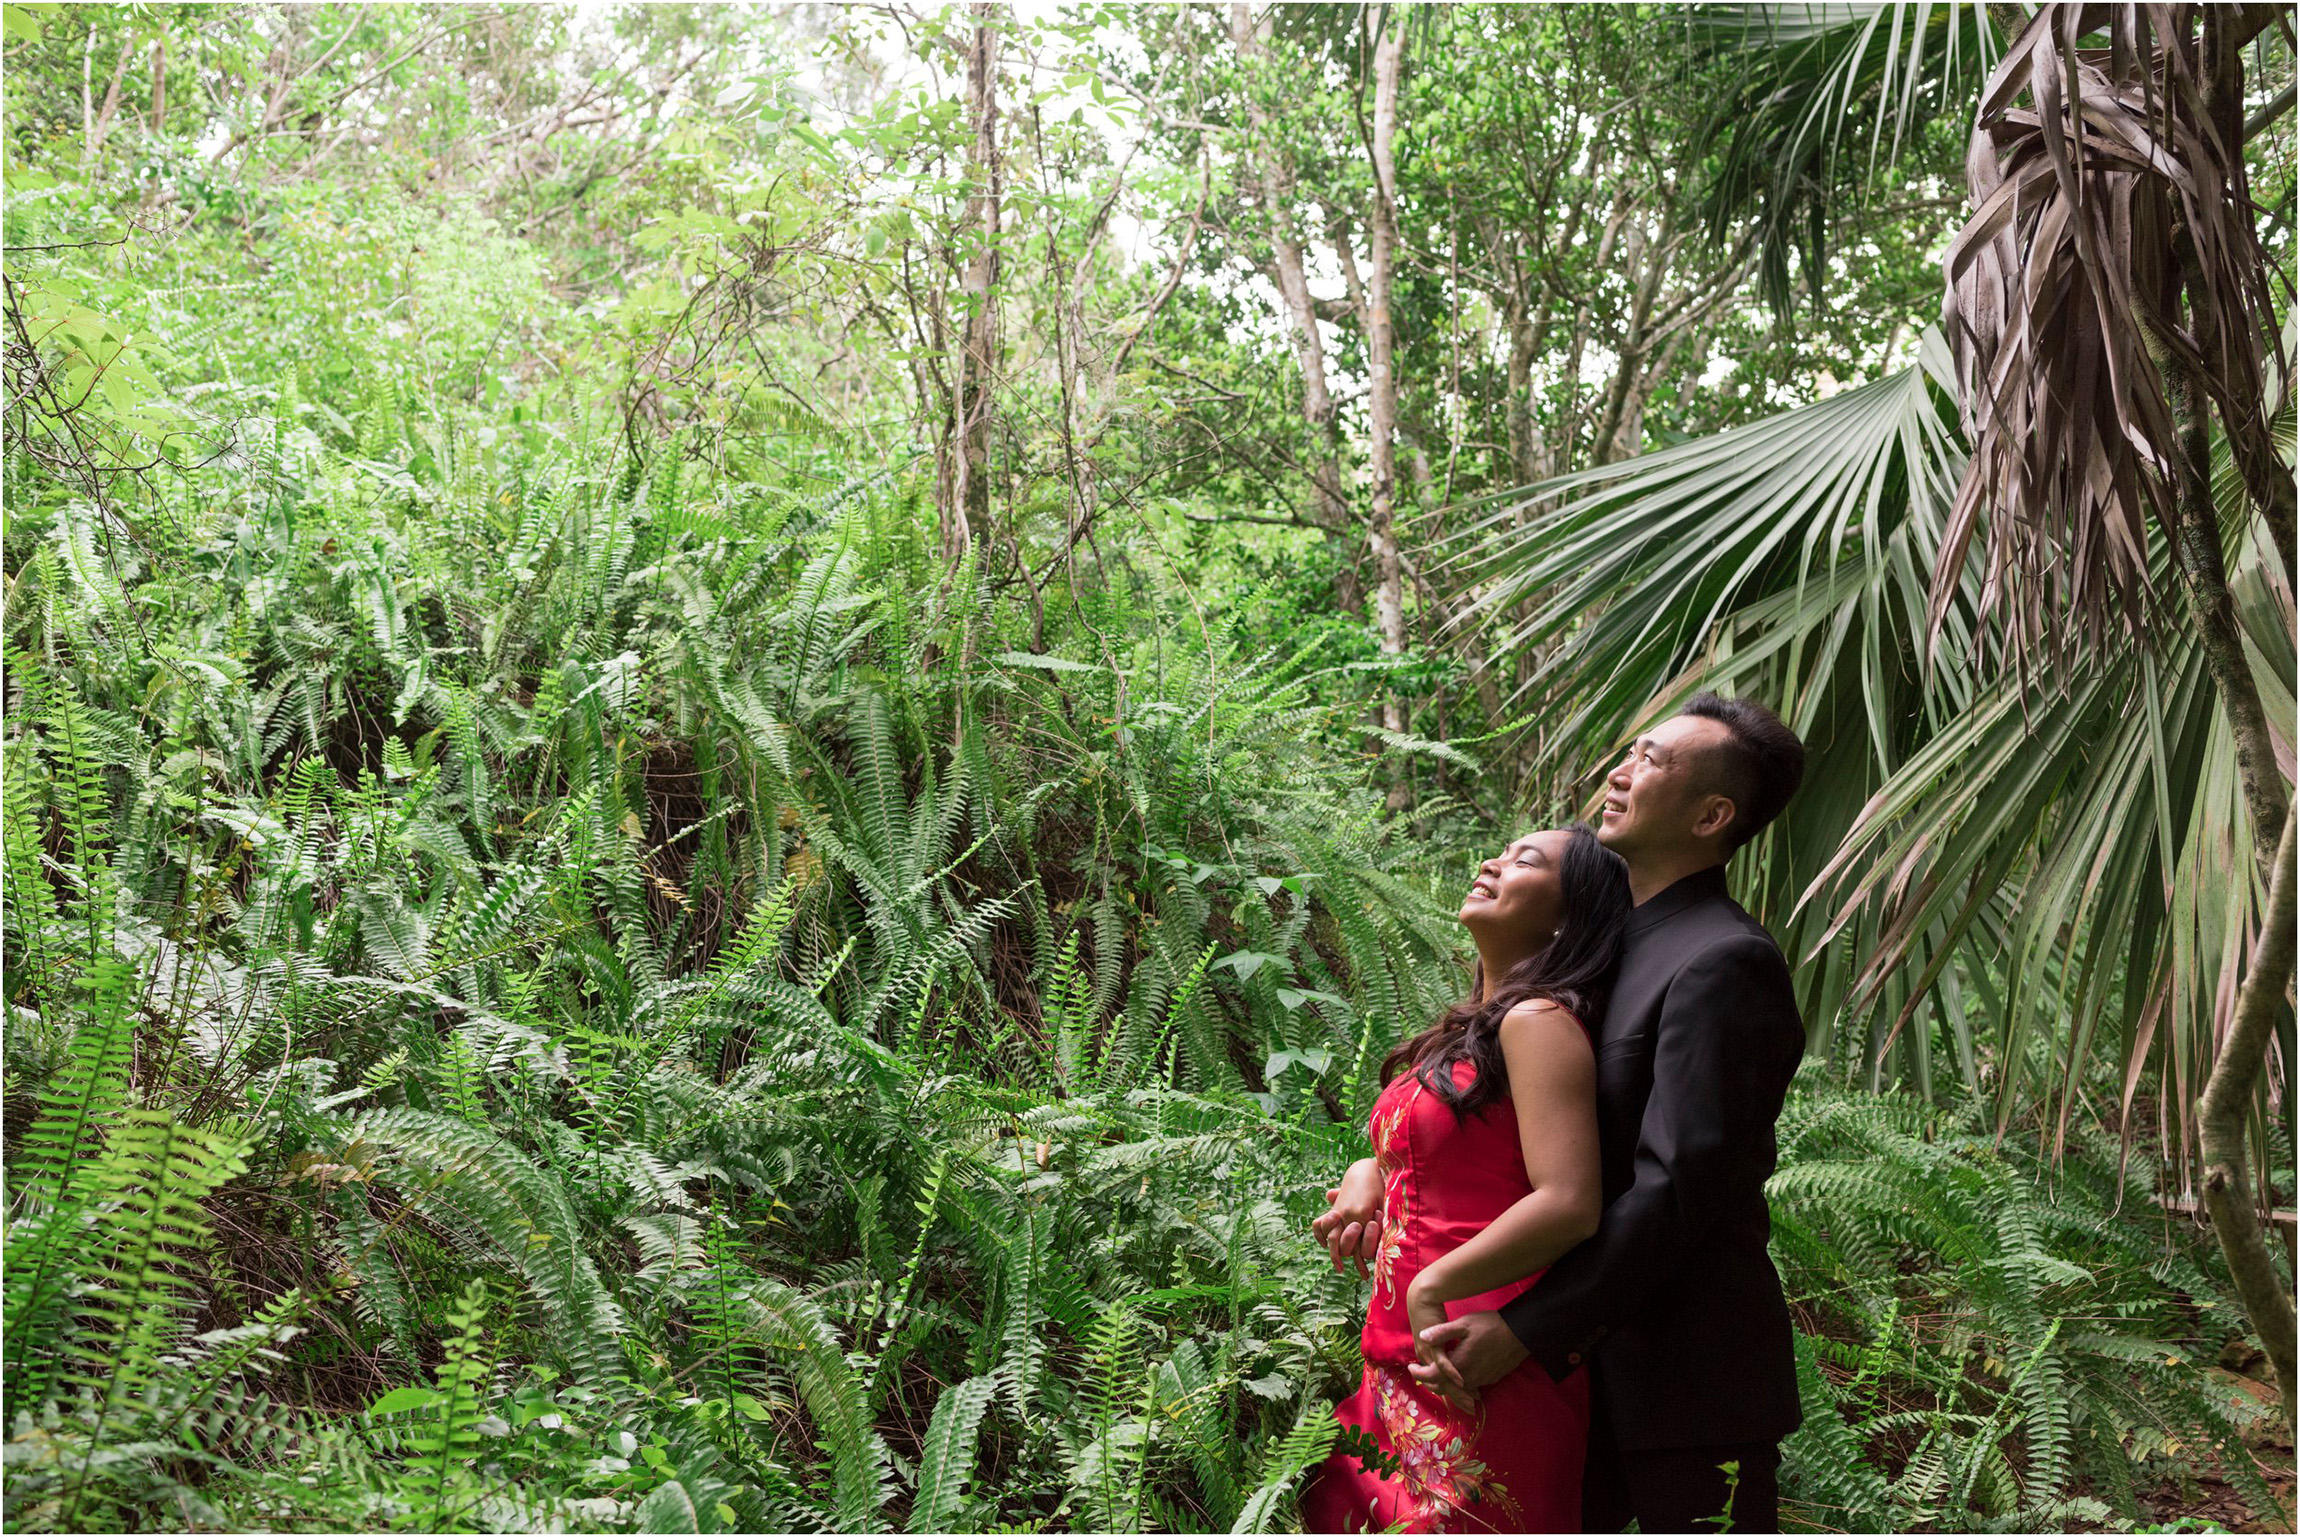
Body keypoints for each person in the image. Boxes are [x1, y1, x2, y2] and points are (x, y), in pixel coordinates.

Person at [1408, 692, 1809, 1534]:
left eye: (1652, 761)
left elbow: (1677, 1187)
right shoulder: (1598, 945)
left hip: (1682, 1389)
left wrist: (1526, 1327)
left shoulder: (1724, 960)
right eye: (1630, 750)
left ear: (1712, 815)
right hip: (1570, 1383)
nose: (1621, 772)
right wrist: (1383, 1165)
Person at [1302, 824, 1632, 1534]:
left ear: (1567, 914)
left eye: (1526, 860)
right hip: (1398, 1359)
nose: (1493, 861)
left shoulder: (1540, 1021)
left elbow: (1570, 1200)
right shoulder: (1471, 1027)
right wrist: (1368, 1176)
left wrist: (1431, 1284)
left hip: (1480, 1359)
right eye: (1502, 850)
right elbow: (1439, 1156)